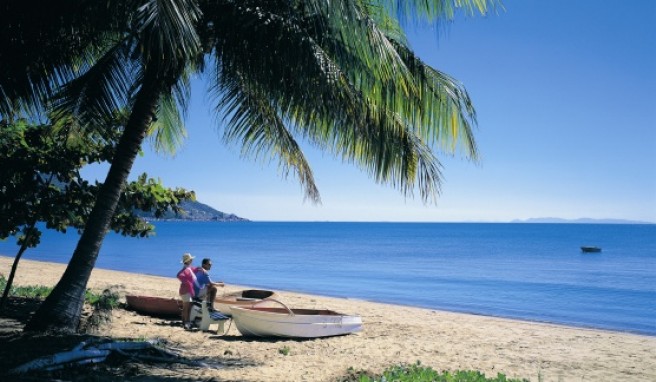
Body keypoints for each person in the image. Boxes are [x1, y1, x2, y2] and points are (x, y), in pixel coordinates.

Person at [176, 252, 200, 329]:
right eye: (191, 260)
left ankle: (184, 321)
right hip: (185, 291)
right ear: (188, 261)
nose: (192, 261)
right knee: (186, 307)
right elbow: (179, 275)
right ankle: (186, 322)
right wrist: (186, 281)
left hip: (186, 291)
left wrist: (200, 269)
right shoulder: (185, 269)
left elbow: (194, 270)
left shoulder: (188, 268)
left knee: (186, 307)